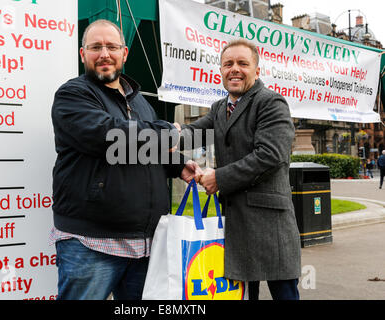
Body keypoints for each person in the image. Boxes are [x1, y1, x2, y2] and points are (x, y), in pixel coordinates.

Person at [50, 19, 202, 300]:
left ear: (125, 53)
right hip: (91, 243)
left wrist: (178, 165)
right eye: (96, 47)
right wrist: (168, 132)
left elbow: (141, 148)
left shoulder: (140, 101)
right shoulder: (73, 94)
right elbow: (108, 136)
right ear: (83, 54)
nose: (104, 53)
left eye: (111, 46)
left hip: (145, 245)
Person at [178, 39, 301, 300]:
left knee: (285, 295)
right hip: (236, 226)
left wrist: (218, 178)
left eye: (242, 63)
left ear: (257, 71)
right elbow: (191, 134)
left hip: (270, 227)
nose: (234, 69)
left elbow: (270, 156)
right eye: (228, 64)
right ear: (220, 71)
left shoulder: (271, 102)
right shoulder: (219, 108)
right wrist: (158, 136)